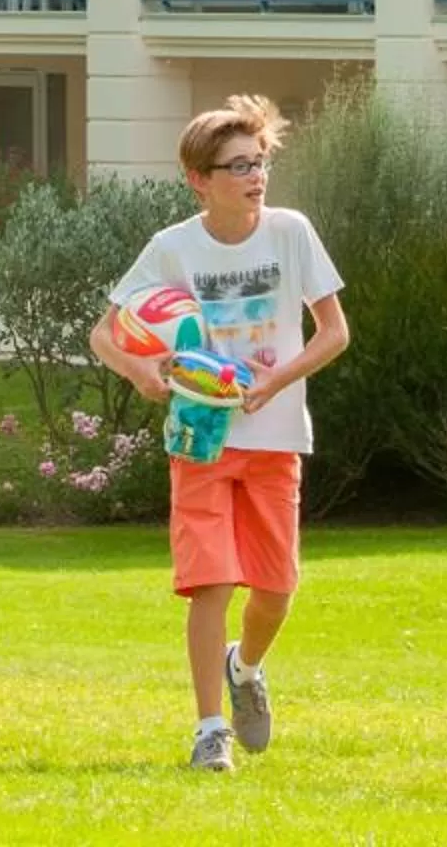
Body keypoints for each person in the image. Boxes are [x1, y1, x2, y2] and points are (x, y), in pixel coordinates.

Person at [89, 95, 350, 774]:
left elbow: (334, 333)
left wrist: (275, 382)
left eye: (259, 162)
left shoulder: (291, 232)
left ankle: (246, 667)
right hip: (199, 437)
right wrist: (141, 371)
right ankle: (210, 731)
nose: (255, 176)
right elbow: (103, 334)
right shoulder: (172, 248)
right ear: (198, 179)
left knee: (276, 590)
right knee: (211, 583)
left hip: (275, 435)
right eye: (238, 166)